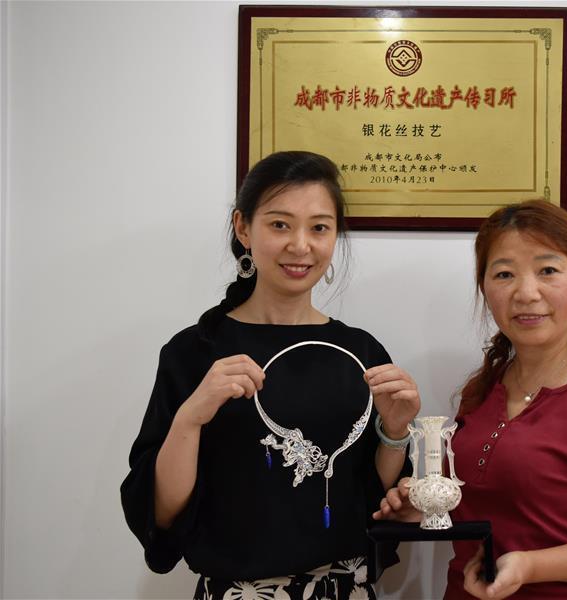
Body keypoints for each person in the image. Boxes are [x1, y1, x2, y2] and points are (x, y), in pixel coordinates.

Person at [121, 151, 419, 600]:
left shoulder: (360, 353)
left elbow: (376, 501)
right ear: (243, 228)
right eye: (280, 224)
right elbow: (161, 516)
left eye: (319, 228)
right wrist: (191, 416)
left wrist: (394, 432)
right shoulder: (194, 352)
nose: (300, 245)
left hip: (345, 590)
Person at [373, 200, 567, 599]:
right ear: (485, 289)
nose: (526, 293)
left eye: (547, 271)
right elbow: (494, 505)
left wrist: (531, 565)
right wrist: (427, 508)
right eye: (504, 274)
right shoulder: (481, 390)